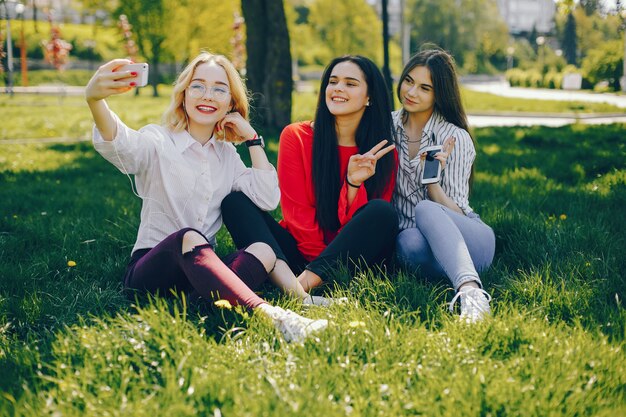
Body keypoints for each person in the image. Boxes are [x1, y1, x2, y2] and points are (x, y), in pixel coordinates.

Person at [84, 52, 327, 342]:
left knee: (263, 249)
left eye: (219, 89)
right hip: (152, 270)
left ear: (231, 104)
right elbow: (120, 143)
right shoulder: (158, 141)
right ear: (183, 96)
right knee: (188, 236)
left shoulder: (227, 157)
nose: (207, 95)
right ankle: (273, 316)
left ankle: (194, 305)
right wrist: (95, 101)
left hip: (201, 269)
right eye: (197, 86)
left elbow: (266, 198)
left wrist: (252, 139)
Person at [221, 55, 399, 302]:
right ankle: (301, 288)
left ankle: (297, 288)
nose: (338, 88)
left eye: (350, 83)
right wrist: (320, 266)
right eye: (333, 81)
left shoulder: (382, 154)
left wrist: (353, 184)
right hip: (297, 253)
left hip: (352, 257)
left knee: (383, 212)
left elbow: (363, 229)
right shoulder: (297, 137)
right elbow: (297, 216)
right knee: (235, 203)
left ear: (369, 97)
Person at [391, 48, 495, 322]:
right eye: (409, 81)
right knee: (407, 241)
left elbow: (459, 212)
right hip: (416, 240)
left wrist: (433, 185)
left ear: (440, 94)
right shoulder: (386, 126)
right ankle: (451, 272)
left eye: (425, 88)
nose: (412, 92)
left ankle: (471, 293)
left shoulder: (454, 137)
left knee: (425, 208)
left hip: (470, 240)